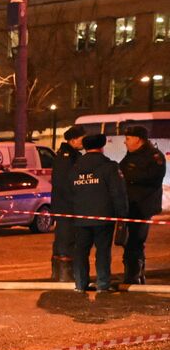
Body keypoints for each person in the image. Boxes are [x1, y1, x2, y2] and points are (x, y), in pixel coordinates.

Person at [69, 132, 129, 294]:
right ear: (102, 147)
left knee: (81, 251)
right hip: (103, 217)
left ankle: (80, 283)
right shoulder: (109, 167)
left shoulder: (75, 168)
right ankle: (102, 284)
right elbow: (118, 192)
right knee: (102, 251)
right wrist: (122, 214)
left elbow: (70, 192)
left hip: (80, 217)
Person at [118, 124, 166, 285]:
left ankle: (134, 275)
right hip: (129, 205)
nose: (125, 142)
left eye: (128, 138)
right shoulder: (130, 155)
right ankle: (133, 273)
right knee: (127, 241)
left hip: (143, 207)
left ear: (138, 139)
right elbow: (121, 171)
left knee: (135, 241)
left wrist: (128, 176)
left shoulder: (154, 156)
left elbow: (153, 178)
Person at [50, 125, 87, 282]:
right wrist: (76, 200)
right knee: (66, 239)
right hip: (67, 207)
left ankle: (60, 273)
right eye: (82, 139)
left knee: (65, 239)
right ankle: (64, 274)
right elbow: (65, 184)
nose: (84, 142)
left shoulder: (70, 155)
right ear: (73, 140)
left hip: (65, 206)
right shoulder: (67, 158)